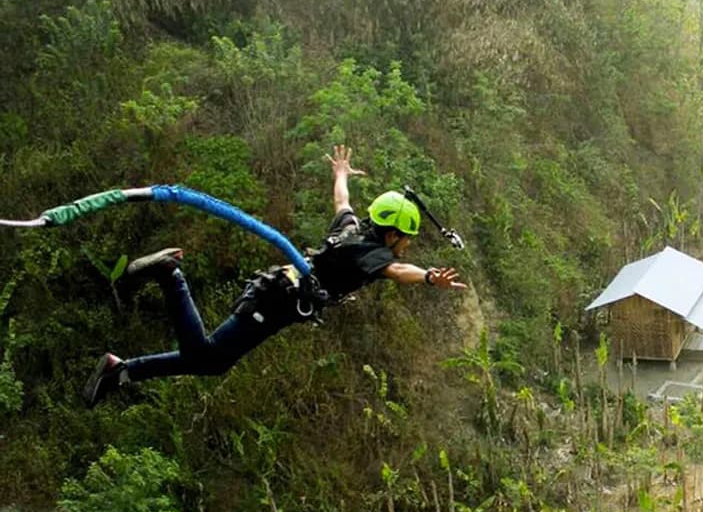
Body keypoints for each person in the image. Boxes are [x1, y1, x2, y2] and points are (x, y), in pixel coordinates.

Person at [83, 145, 466, 407]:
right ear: (393, 233)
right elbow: (398, 271)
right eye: (407, 239)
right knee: (208, 358)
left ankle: (122, 371)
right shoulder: (374, 254)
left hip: (278, 295)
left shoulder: (353, 229)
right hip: (276, 301)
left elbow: (342, 200)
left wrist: (340, 173)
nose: (406, 247)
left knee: (210, 360)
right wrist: (430, 277)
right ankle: (170, 276)